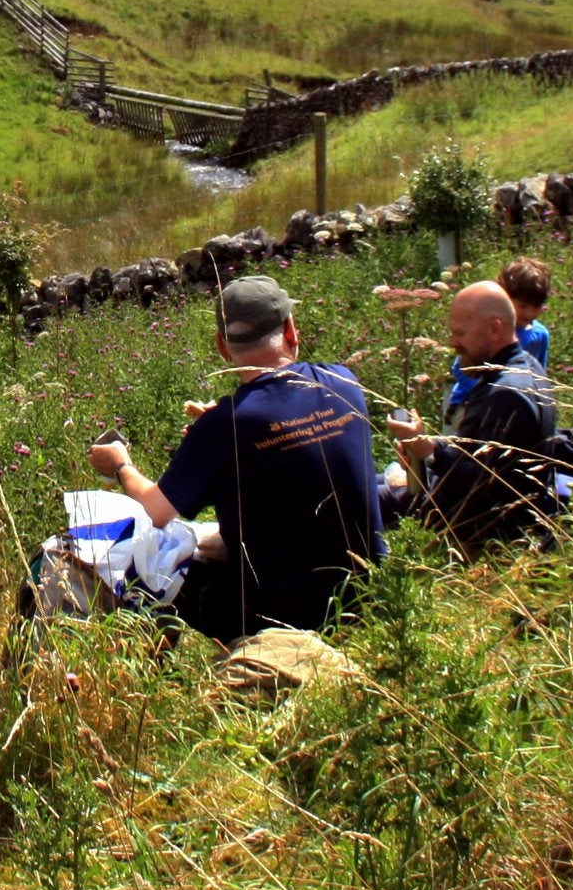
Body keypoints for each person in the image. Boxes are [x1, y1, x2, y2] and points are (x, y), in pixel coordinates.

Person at [83, 275, 380, 644]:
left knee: (130, 559)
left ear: (223, 347)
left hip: (281, 613)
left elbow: (156, 511)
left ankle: (153, 682)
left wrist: (121, 465)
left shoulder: (227, 425)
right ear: (291, 330)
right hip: (365, 593)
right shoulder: (344, 381)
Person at [383, 282, 562, 546]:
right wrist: (431, 446)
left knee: (352, 497)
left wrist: (430, 452)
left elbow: (485, 489)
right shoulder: (526, 367)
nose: (452, 342)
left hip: (482, 531)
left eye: (460, 333)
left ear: (494, 328)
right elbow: (485, 460)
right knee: (371, 482)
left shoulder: (506, 394)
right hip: (474, 508)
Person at [498, 257, 553, 372]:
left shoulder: (540, 335)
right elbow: (462, 369)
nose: (529, 313)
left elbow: (539, 374)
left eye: (536, 307)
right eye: (522, 306)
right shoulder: (492, 330)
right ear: (504, 297)